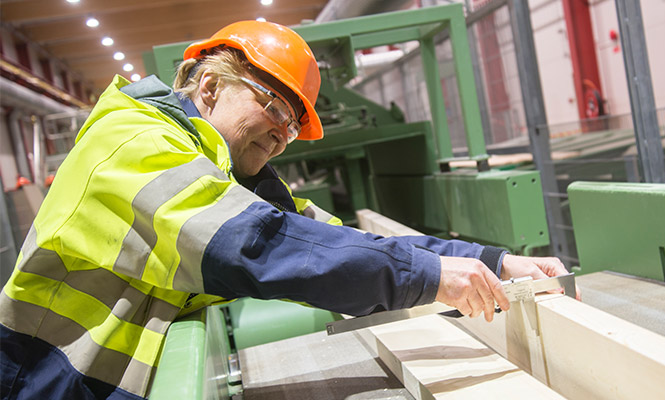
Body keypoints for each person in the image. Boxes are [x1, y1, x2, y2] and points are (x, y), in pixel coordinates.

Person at [0, 21, 577, 400]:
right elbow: (255, 245)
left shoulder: (220, 171)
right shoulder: (133, 142)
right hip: (48, 382)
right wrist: (431, 280)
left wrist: (493, 262)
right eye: (273, 105)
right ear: (208, 86)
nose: (281, 135)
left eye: (292, 127)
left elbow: (328, 236)